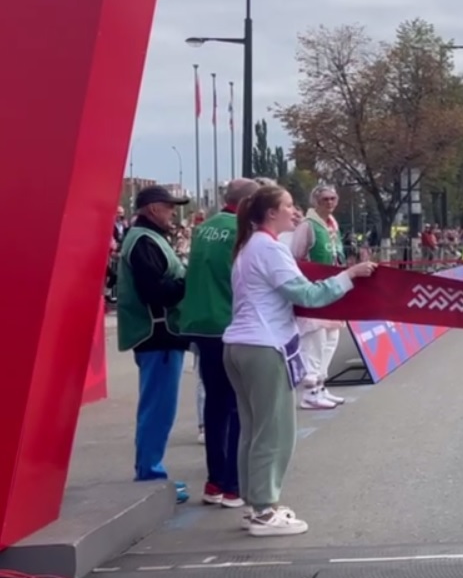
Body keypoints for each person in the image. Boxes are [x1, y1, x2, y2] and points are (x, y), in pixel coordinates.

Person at [223, 185, 378, 536]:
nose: (295, 212)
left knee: (253, 430)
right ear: (270, 214)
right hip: (264, 347)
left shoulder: (248, 248)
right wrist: (348, 277)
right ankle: (264, 511)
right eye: (289, 206)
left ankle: (255, 503)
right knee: (275, 431)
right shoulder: (270, 249)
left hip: (238, 345)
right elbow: (305, 293)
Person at [178, 177, 259, 510]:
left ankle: (214, 481)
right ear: (249, 204)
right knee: (240, 405)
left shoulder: (203, 228)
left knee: (215, 404)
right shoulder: (243, 233)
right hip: (230, 323)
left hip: (201, 323)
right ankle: (232, 484)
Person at [116, 185, 192, 503]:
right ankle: (150, 475)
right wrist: (189, 282)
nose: (173, 213)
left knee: (158, 408)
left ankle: (150, 470)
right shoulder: (144, 241)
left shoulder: (146, 238)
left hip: (158, 334)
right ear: (152, 209)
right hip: (156, 334)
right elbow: (156, 291)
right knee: (157, 409)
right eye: (169, 207)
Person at [290, 185, 348, 410]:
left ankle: (322, 384)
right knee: (315, 339)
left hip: (333, 289)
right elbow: (296, 256)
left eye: (333, 198)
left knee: (331, 338)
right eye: (325, 199)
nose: (330, 202)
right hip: (315, 289)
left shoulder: (332, 224)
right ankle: (310, 390)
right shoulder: (308, 226)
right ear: (316, 201)